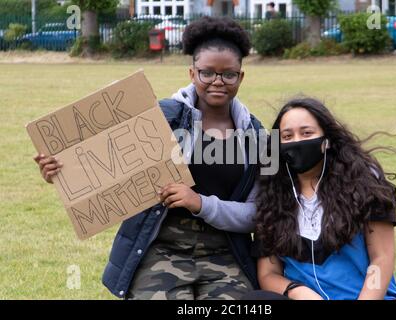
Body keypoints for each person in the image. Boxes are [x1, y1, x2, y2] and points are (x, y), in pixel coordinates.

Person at [33, 16, 265, 300]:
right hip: (161, 248)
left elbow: (256, 215)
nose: (217, 81)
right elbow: (102, 165)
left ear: (240, 77)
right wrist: (60, 170)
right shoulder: (161, 117)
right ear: (192, 74)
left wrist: (201, 204)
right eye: (207, 73)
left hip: (225, 252)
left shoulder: (257, 136)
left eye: (228, 74)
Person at [243, 98, 396, 300]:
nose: (297, 142)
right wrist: (298, 291)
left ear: (327, 140)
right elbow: (268, 274)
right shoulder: (272, 195)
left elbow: (381, 259)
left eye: (307, 133)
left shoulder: (364, 186)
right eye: (287, 136)